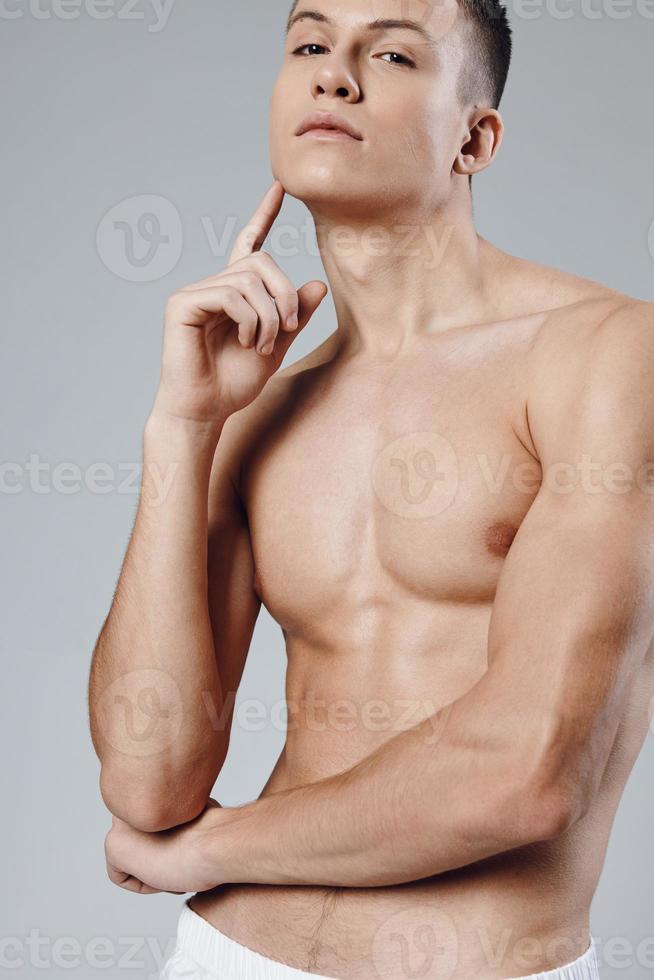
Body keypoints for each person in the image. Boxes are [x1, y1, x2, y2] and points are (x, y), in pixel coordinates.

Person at [88, 1, 654, 977]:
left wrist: (208, 850)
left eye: (389, 53)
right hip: (228, 955)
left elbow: (527, 771)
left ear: (474, 137)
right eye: (309, 44)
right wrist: (182, 431)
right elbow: (147, 779)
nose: (333, 74)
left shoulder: (607, 356)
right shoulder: (256, 409)